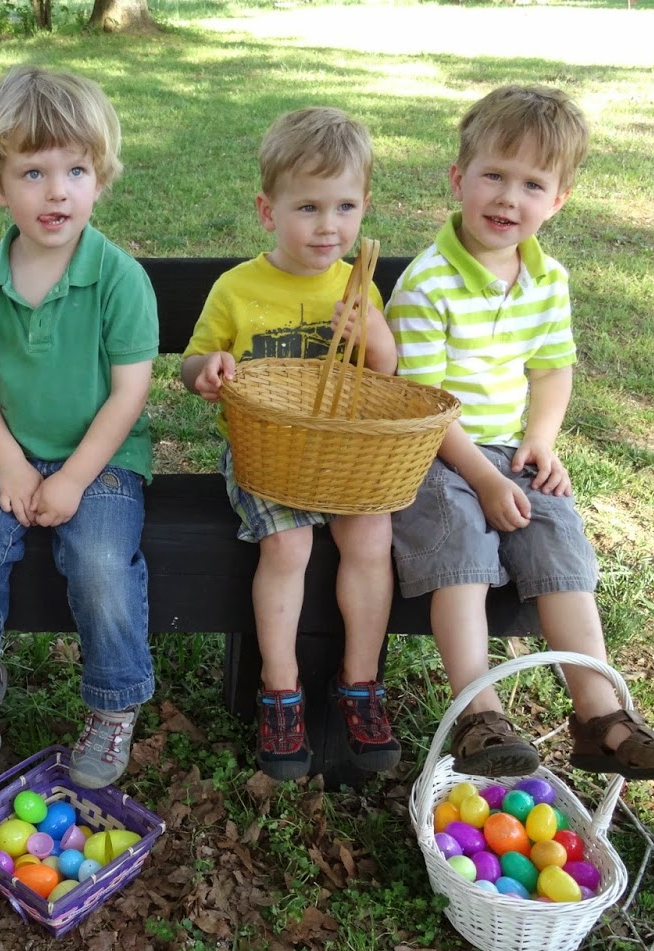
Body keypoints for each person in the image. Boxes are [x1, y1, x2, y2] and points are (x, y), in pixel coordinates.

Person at [385, 85, 654, 780]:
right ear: (458, 179)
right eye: (494, 175)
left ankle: (601, 715)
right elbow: (423, 405)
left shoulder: (546, 279)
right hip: (433, 453)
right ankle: (479, 711)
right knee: (461, 545)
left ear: (557, 201)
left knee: (559, 537)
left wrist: (541, 439)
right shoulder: (427, 284)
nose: (508, 198)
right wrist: (486, 478)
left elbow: (552, 367)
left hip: (508, 450)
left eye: (532, 184)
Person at [0, 66, 159, 790]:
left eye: (76, 170)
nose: (56, 191)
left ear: (102, 177)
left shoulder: (118, 278)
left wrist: (75, 478)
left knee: (96, 564)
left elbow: (129, 393)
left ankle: (113, 702)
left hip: (104, 459)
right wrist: (16, 469)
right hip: (13, 453)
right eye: (32, 171)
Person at [180, 107, 402, 783]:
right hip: (265, 450)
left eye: (345, 207)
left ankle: (359, 681)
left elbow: (386, 375)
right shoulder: (239, 288)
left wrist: (371, 333)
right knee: (289, 543)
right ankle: (280, 686)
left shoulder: (357, 286)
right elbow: (194, 361)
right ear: (266, 209)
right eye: (308, 206)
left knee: (370, 536)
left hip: (341, 454)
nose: (328, 226)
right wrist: (208, 373)